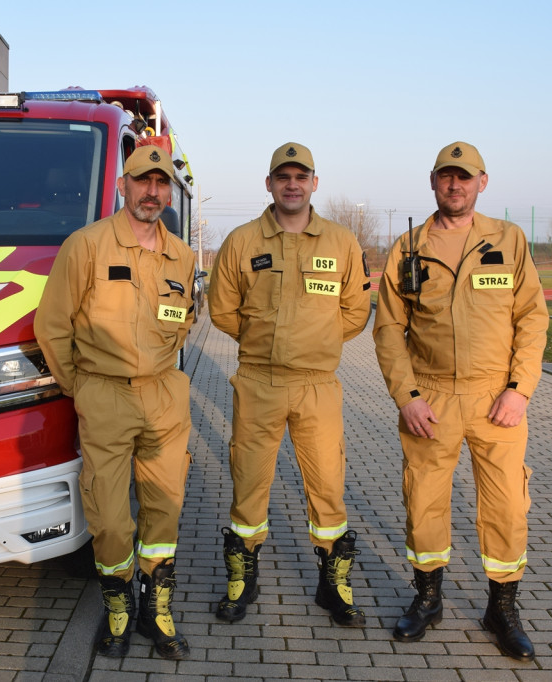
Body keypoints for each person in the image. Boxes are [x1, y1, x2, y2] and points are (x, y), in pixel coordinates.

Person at [373, 141, 549, 661]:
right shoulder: (408, 247)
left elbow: (533, 320)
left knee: (507, 508)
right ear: (433, 181)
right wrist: (406, 397)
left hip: (497, 398)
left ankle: (503, 608)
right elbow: (388, 330)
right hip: (431, 398)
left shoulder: (508, 240)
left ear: (482, 182)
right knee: (424, 503)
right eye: (447, 176)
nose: (456, 185)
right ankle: (427, 599)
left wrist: (519, 391)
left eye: (465, 177)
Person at [34, 145, 196, 660]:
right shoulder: (86, 246)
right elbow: (52, 325)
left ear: (169, 191)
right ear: (122, 185)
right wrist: (77, 386)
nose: (152, 192)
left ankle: (156, 604)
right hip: (103, 393)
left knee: (164, 509)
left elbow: (184, 319)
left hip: (165, 395)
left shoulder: (184, 255)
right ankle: (118, 604)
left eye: (161, 183)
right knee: (108, 515)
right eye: (142, 182)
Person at [207, 142, 372, 626]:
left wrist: (314, 343)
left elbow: (356, 311)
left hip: (318, 385)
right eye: (284, 176)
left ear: (315, 183)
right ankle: (242, 578)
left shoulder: (341, 243)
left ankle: (333, 584)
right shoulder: (241, 241)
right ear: (270, 183)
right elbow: (221, 308)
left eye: (302, 176)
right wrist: (264, 341)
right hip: (258, 381)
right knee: (249, 484)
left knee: (327, 486)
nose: (293, 184)